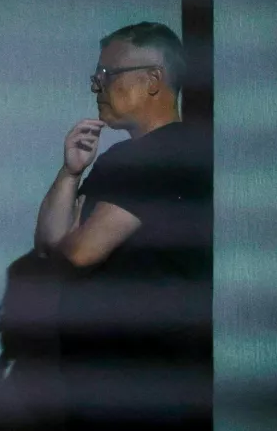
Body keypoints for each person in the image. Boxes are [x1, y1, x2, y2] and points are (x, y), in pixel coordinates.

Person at [33, 22, 212, 431]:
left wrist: (74, 236)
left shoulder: (159, 155)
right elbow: (49, 245)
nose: (97, 87)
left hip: (138, 378)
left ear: (153, 80)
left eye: (107, 75)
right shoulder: (135, 157)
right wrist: (69, 173)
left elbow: (78, 252)